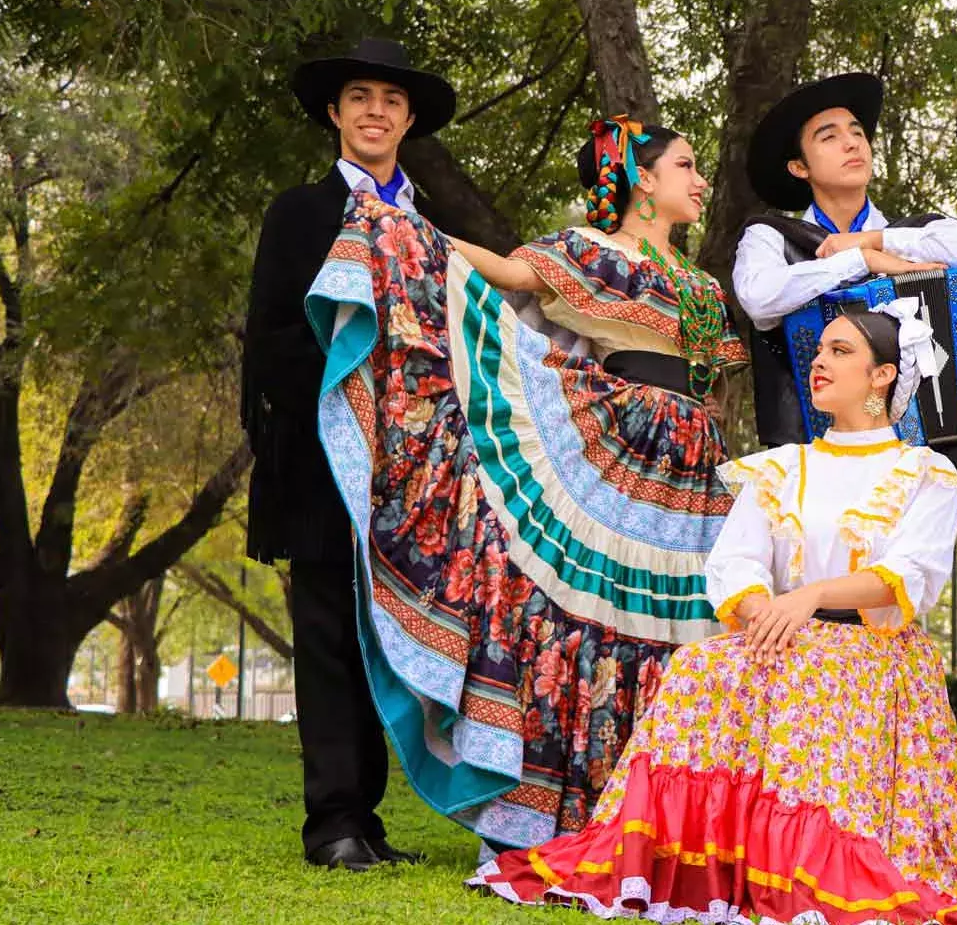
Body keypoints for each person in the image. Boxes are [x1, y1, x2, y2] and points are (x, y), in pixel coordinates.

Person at [472, 308, 957, 925]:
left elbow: (911, 578)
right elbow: (736, 561)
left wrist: (808, 599)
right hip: (776, 634)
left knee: (816, 682)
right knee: (696, 665)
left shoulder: (927, 474)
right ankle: (703, 854)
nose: (819, 361)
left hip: (872, 653)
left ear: (883, 375)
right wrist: (766, 611)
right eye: (819, 350)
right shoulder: (780, 467)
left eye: (840, 351)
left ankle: (803, 860)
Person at [303, 113, 747, 853]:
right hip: (618, 441)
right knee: (599, 612)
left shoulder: (700, 286)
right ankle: (565, 807)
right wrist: (406, 227)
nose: (700, 180)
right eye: (686, 165)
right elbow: (505, 275)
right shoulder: (591, 253)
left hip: (694, 456)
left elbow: (714, 379)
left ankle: (667, 812)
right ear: (643, 176)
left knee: (686, 623)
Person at [732, 73, 957, 819]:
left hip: (923, 446)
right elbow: (763, 299)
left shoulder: (912, 228)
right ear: (800, 166)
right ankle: (809, 717)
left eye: (857, 132)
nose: (852, 142)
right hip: (820, 449)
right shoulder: (772, 236)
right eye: (828, 135)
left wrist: (875, 239)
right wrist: (858, 265)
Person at [244, 37, 458, 870]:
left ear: (408, 120)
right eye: (359, 96)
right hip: (324, 457)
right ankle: (332, 822)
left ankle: (367, 821)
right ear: (334, 114)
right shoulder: (299, 213)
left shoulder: (429, 226)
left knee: (387, 640)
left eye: (391, 101)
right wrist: (347, 412)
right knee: (330, 634)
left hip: (413, 473)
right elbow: (271, 341)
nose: (376, 110)